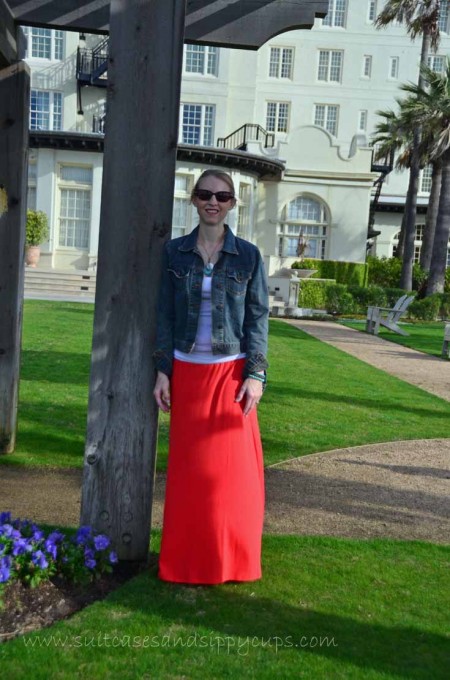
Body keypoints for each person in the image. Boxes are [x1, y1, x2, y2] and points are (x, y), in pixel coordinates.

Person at [153, 169, 269, 584]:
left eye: (221, 195)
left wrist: (255, 374)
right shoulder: (174, 253)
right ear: (194, 199)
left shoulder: (249, 256)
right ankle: (186, 563)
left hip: (229, 375)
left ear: (232, 203)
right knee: (190, 476)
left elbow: (258, 318)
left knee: (230, 477)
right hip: (187, 372)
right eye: (205, 194)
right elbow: (163, 316)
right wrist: (163, 370)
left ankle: (232, 561)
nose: (213, 201)